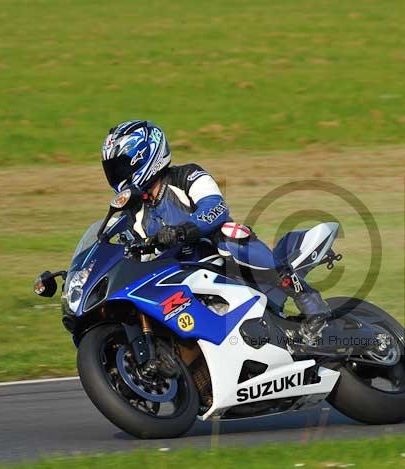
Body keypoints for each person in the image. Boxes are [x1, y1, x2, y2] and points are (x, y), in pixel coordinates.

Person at [101, 120, 330, 342]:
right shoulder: (134, 215)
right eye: (112, 169)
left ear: (146, 156)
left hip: (218, 256)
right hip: (179, 272)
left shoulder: (187, 176)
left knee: (230, 235)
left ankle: (310, 303)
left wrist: (182, 230)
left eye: (120, 166)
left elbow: (215, 207)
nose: (117, 175)